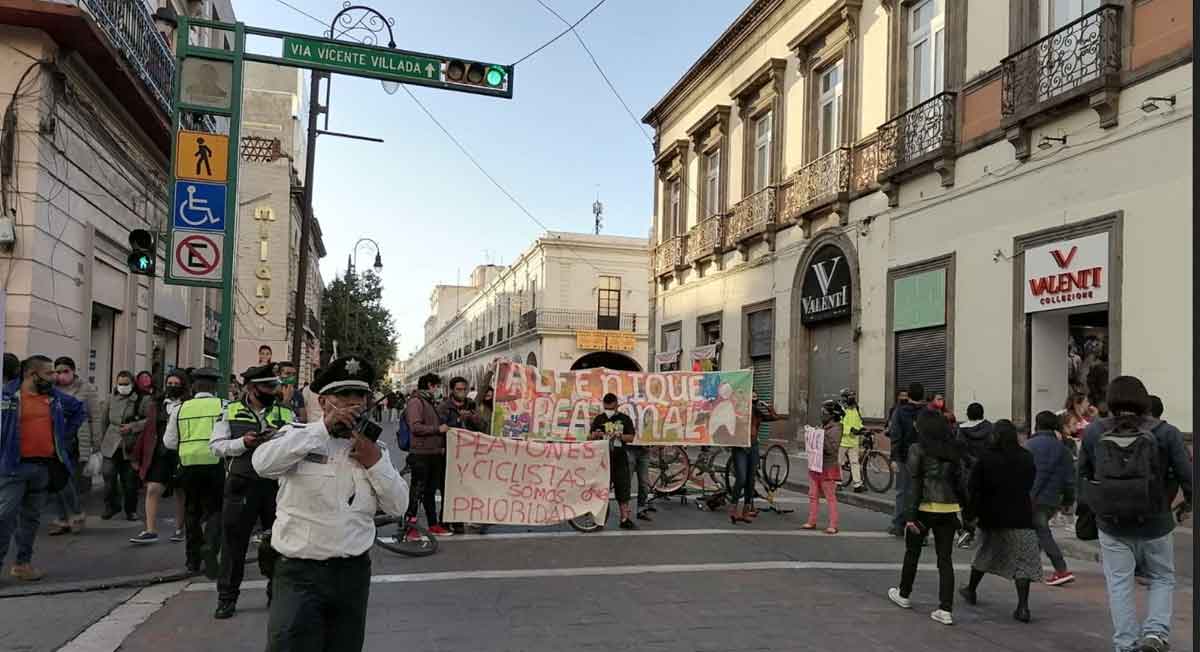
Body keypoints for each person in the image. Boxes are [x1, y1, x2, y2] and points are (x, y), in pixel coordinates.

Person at [253, 355, 408, 652]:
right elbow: (263, 464)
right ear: (324, 402)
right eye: (343, 396)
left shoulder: (376, 450)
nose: (353, 403)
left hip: (351, 575)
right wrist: (322, 429)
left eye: (359, 395)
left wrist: (375, 463)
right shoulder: (296, 436)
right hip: (299, 575)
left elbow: (398, 506)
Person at [1079, 376, 1192, 652]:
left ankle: (1125, 644)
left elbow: (1083, 475)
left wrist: (1089, 512)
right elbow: (1187, 476)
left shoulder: (1094, 432)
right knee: (1162, 578)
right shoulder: (1167, 432)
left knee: (1119, 584)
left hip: (1111, 523)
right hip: (1156, 520)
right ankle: (1155, 633)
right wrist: (1186, 504)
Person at [209, 365, 295, 619]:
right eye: (267, 387)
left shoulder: (285, 413)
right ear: (250, 388)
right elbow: (216, 447)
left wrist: (276, 440)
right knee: (233, 545)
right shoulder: (230, 411)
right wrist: (242, 443)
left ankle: (276, 591)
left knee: (280, 542)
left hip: (275, 486)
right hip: (241, 484)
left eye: (274, 386)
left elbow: (298, 446)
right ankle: (227, 598)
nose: (273, 391)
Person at [0, 355, 86, 581]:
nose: (54, 377)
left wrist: (63, 436)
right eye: (49, 373)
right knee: (4, 517)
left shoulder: (53, 396)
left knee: (30, 519)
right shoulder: (7, 395)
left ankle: (23, 564)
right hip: (13, 468)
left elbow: (79, 409)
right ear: (32, 374)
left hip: (43, 467)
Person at [888, 410, 967, 626]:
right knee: (945, 559)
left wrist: (910, 516)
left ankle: (904, 594)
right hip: (949, 508)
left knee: (912, 552)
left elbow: (914, 483)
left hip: (924, 508)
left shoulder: (917, 448)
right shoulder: (953, 448)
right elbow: (961, 483)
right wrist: (966, 514)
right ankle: (945, 609)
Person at [958, 420, 1041, 623]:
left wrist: (969, 515)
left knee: (985, 553)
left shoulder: (986, 459)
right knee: (1023, 562)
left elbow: (973, 487)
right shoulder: (1026, 457)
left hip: (991, 515)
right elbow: (1030, 482)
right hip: (1020, 515)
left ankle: (971, 589)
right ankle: (1023, 607)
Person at [163, 367, 225, 578]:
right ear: (215, 387)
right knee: (216, 509)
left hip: (188, 466)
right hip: (216, 464)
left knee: (192, 511)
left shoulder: (180, 409)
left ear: (193, 386)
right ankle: (210, 544)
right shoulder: (222, 406)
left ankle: (192, 560)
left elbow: (169, 442)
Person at [129, 371, 189, 544]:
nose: (171, 386)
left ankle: (179, 528)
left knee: (180, 492)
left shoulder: (189, 404)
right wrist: (137, 454)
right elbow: (148, 429)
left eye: (176, 383)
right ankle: (150, 530)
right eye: (169, 383)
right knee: (153, 488)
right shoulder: (157, 403)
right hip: (159, 452)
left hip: (180, 452)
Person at [47, 356, 100, 535]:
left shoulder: (86, 389)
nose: (62, 375)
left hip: (77, 441)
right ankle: (61, 518)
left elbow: (95, 416)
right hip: (55, 440)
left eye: (65, 371)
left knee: (71, 482)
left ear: (73, 371)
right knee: (56, 481)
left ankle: (75, 515)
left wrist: (96, 442)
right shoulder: (51, 390)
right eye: (58, 371)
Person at [1027, 410, 1076, 586]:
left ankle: (1061, 568)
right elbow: (1070, 479)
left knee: (1041, 531)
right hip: (1053, 498)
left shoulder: (1029, 446)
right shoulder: (1063, 449)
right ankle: (1032, 567)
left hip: (1033, 496)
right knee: (1039, 530)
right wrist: (1068, 501)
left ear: (1037, 424)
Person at [405, 373, 451, 537]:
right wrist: (437, 430)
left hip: (433, 453)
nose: (438, 390)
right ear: (431, 385)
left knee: (430, 491)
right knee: (417, 491)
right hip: (421, 454)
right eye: (437, 386)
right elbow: (415, 427)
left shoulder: (429, 402)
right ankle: (409, 527)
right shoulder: (416, 402)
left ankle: (433, 524)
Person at [438, 377, 486, 534]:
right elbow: (441, 428)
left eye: (464, 389)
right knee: (449, 488)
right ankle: (445, 520)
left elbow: (482, 425)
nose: (462, 392)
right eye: (458, 389)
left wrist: (471, 417)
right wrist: (459, 419)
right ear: (452, 390)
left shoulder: (471, 405)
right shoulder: (444, 407)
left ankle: (459, 520)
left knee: (465, 487)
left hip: (469, 454)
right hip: (450, 454)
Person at [100, 371, 148, 521]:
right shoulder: (110, 399)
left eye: (126, 384)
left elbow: (149, 421)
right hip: (111, 444)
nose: (122, 387)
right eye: (120, 384)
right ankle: (111, 505)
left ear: (132, 384)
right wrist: (101, 442)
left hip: (131, 445)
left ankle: (131, 510)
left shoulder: (142, 400)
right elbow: (103, 421)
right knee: (108, 476)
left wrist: (133, 426)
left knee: (130, 482)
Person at [590, 393, 637, 530]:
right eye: (606, 408)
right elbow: (590, 436)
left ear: (617, 405)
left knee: (623, 489)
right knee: (600, 490)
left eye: (610, 408)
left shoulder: (625, 419)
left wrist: (620, 435)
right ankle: (598, 519)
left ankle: (625, 518)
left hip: (620, 459)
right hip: (602, 461)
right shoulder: (599, 419)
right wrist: (596, 435)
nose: (608, 411)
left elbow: (631, 438)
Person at [887, 382, 926, 537]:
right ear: (923, 395)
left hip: (904, 456)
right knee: (921, 492)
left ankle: (898, 524)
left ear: (908, 395)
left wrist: (894, 458)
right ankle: (919, 524)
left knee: (902, 490)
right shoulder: (928, 412)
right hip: (924, 458)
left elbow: (896, 436)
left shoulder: (899, 412)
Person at [955, 402, 994, 548]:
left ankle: (968, 534)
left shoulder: (961, 430)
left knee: (968, 504)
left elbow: (960, 451)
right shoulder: (990, 428)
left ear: (968, 414)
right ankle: (988, 537)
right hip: (988, 470)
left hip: (968, 471)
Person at [803, 400, 842, 534]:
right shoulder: (822, 427)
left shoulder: (837, 428)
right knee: (813, 495)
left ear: (832, 415)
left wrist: (820, 436)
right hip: (815, 466)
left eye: (825, 412)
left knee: (830, 496)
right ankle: (812, 520)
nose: (822, 414)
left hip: (827, 467)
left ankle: (833, 524)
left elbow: (832, 448)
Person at [744, 394, 781, 517]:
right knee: (743, 478)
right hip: (743, 446)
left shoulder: (758, 413)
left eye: (756, 396)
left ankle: (749, 505)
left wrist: (769, 407)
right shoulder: (743, 411)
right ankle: (744, 505)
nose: (754, 398)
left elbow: (774, 417)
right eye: (752, 395)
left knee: (751, 476)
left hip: (753, 445)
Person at [838, 389, 866, 493]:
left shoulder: (855, 408)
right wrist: (850, 429)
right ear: (845, 398)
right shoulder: (840, 409)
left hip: (854, 441)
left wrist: (862, 429)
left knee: (855, 463)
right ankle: (838, 483)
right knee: (839, 463)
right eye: (850, 396)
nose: (852, 398)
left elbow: (858, 421)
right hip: (842, 441)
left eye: (853, 396)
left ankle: (857, 485)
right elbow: (840, 424)